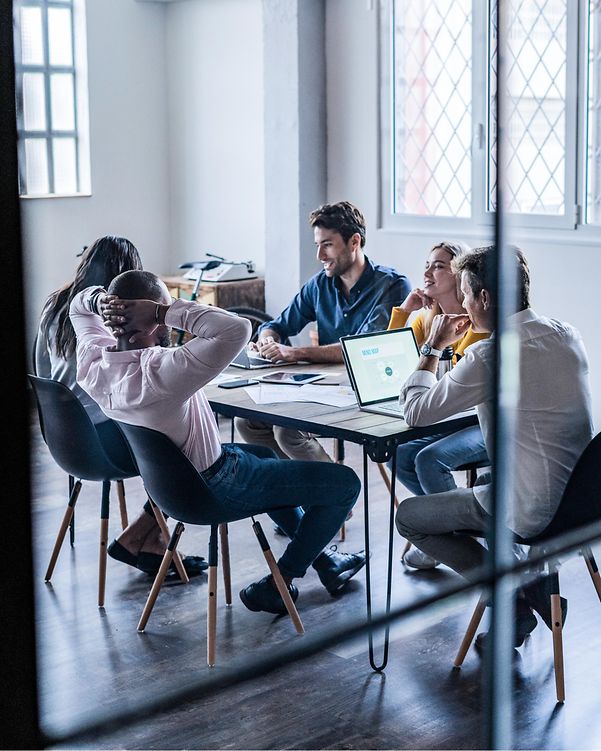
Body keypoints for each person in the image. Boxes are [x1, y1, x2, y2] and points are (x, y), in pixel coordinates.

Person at [69, 270, 367, 615]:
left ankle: (326, 560)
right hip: (217, 488)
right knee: (345, 483)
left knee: (264, 455)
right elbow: (238, 329)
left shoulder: (93, 362)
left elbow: (79, 308)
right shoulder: (163, 370)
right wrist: (160, 312)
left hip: (172, 491)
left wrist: (97, 301)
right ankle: (281, 582)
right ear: (151, 317)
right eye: (164, 310)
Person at [394, 245, 594, 647]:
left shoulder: (489, 355)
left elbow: (416, 411)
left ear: (484, 298)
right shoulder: (567, 334)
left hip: (531, 511)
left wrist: (433, 346)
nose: (464, 303)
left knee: (409, 517)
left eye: (467, 294)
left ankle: (513, 594)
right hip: (587, 506)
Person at [35, 236, 206, 579]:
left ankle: (146, 534)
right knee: (186, 448)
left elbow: (41, 369)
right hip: (104, 440)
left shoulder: (54, 306)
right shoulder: (116, 317)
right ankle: (143, 535)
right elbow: (133, 377)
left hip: (65, 441)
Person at [235, 200, 411, 464]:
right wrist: (267, 343)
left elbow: (361, 348)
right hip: (327, 389)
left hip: (369, 393)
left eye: (327, 244)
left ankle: (337, 494)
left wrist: (294, 352)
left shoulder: (393, 285)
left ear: (354, 241)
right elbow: (276, 325)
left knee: (287, 430)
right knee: (246, 421)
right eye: (317, 245)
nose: (320, 255)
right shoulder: (319, 285)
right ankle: (304, 491)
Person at [386, 241, 490, 570]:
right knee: (400, 454)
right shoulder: (428, 320)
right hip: (444, 415)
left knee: (430, 459)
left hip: (476, 420)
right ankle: (445, 536)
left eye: (439, 266)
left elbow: (457, 383)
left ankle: (450, 541)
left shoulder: (477, 323)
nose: (428, 272)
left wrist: (431, 352)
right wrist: (405, 308)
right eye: (427, 264)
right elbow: (389, 359)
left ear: (459, 274)